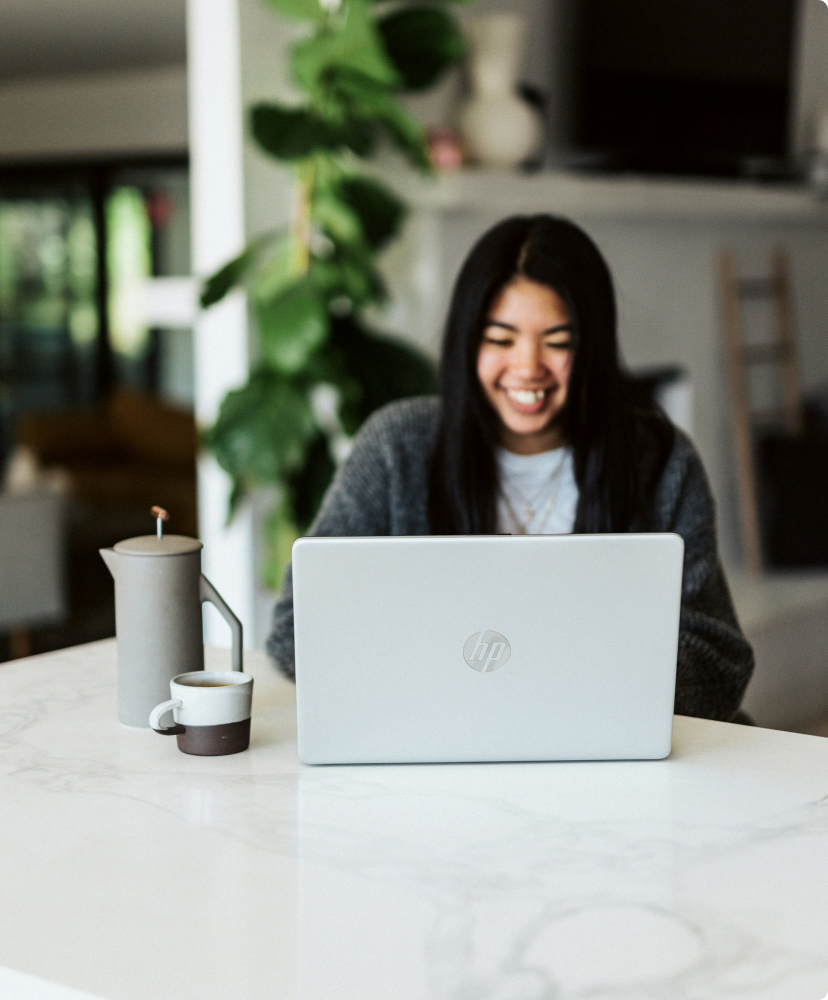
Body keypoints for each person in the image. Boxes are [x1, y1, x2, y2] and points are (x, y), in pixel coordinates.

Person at [267, 215, 754, 721]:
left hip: (603, 744)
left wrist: (542, 689)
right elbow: (296, 630)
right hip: (440, 735)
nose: (527, 367)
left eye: (559, 342)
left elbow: (718, 661)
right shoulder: (397, 448)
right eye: (501, 339)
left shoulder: (661, 461)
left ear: (594, 346)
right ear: (466, 343)